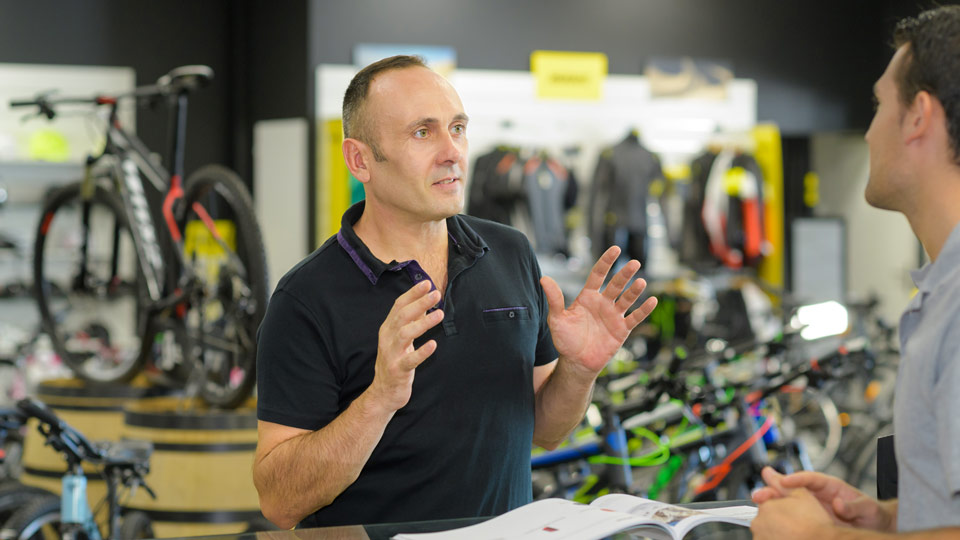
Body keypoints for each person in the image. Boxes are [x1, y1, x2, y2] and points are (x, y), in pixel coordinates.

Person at [252, 55, 658, 530]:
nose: (453, 152)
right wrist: (380, 398)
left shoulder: (510, 252)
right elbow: (280, 502)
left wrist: (579, 370)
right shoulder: (305, 299)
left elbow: (546, 429)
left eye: (458, 128)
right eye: (422, 133)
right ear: (359, 159)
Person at [751, 6, 960, 539]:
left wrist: (824, 537)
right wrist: (885, 520)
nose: (868, 133)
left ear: (919, 116)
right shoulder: (941, 291)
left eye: (878, 105)